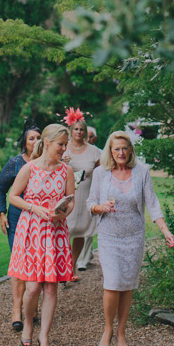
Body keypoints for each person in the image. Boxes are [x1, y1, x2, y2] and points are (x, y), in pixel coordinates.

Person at [88, 131, 174, 346]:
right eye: (116, 149)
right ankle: (108, 329)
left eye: (124, 149)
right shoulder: (101, 173)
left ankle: (121, 333)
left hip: (134, 236)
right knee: (112, 282)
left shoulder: (141, 172)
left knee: (127, 285)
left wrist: (165, 231)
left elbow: (153, 203)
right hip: (109, 236)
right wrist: (100, 207)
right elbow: (91, 203)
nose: (121, 153)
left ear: (131, 150)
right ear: (110, 151)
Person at [7, 123, 75, 346]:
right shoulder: (30, 168)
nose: (64, 149)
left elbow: (71, 200)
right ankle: (28, 323)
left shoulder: (66, 170)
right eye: (61, 144)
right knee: (33, 286)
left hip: (54, 233)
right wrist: (34, 208)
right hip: (32, 232)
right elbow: (13, 196)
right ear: (46, 142)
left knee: (51, 287)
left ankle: (44, 335)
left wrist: (62, 213)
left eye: (65, 145)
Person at [0, 121, 40, 331]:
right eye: (32, 138)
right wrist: (1, 213)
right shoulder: (15, 163)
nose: (36, 141)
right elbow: (0, 188)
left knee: (37, 263)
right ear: (25, 142)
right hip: (16, 218)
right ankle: (16, 311)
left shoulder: (49, 163)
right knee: (19, 264)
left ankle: (32, 307)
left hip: (40, 221)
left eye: (39, 138)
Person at [61, 108, 102, 280]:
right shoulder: (63, 148)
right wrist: (62, 163)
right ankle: (61, 267)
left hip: (85, 195)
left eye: (81, 129)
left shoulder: (94, 151)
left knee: (79, 231)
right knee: (64, 231)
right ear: (71, 130)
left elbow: (101, 172)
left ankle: (72, 267)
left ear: (86, 132)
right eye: (76, 129)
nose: (79, 132)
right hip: (67, 195)